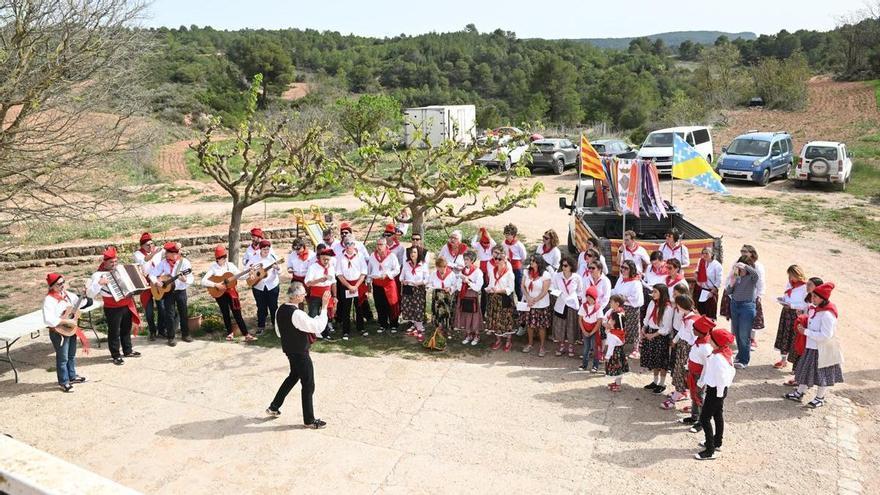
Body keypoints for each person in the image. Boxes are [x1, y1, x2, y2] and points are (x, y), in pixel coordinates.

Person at [266, 283, 329, 429]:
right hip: (300, 352)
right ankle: (309, 420)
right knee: (308, 384)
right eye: (302, 294)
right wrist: (324, 307)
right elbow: (318, 326)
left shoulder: (280, 309)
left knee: (294, 376)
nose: (304, 296)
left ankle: (274, 406)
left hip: (289, 350)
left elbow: (278, 332)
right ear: (295, 296)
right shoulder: (297, 313)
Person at [784, 282, 844, 408]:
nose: (812, 299)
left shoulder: (827, 314)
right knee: (805, 370)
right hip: (812, 347)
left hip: (823, 349)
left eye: (815, 297)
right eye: (812, 296)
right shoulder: (814, 308)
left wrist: (805, 331)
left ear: (823, 298)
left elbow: (826, 336)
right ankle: (799, 393)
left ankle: (820, 398)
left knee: (822, 374)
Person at [88, 247, 142, 361]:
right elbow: (90, 294)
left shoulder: (120, 270)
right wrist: (99, 284)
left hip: (126, 304)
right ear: (105, 262)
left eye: (115, 261)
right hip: (112, 307)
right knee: (114, 332)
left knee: (126, 329)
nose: (114, 264)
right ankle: (116, 355)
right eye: (111, 262)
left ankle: (128, 351)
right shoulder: (97, 275)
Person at [695, 328, 736, 460]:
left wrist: (718, 393)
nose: (709, 338)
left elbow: (722, 377)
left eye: (711, 338)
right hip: (718, 390)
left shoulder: (718, 358)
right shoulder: (723, 353)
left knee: (704, 418)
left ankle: (709, 450)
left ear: (716, 341)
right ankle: (717, 441)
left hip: (716, 390)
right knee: (718, 414)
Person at [43, 273, 89, 392]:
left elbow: (80, 304)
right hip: (59, 331)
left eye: (63, 283)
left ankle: (72, 376)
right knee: (62, 358)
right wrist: (64, 320)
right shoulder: (49, 300)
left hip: (70, 328)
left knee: (71, 355)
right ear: (52, 286)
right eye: (59, 284)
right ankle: (63, 381)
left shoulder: (67, 294)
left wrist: (83, 296)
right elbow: (48, 319)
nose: (62, 286)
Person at [201, 245, 255, 342]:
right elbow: (203, 281)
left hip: (231, 292)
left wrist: (248, 273)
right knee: (225, 312)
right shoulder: (213, 267)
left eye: (224, 257)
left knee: (237, 313)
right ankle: (230, 333)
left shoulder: (230, 265)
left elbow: (239, 276)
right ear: (217, 259)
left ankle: (246, 334)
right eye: (221, 258)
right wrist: (216, 285)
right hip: (220, 293)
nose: (223, 260)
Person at [150, 242, 194, 346]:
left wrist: (185, 279)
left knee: (183, 313)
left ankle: (186, 334)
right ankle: (171, 337)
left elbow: (191, 278)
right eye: (167, 253)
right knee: (169, 314)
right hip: (168, 292)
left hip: (180, 291)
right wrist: (157, 282)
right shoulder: (164, 263)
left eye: (168, 253)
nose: (166, 255)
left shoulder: (184, 263)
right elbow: (152, 274)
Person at [784, 276, 824, 386]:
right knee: (799, 354)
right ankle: (798, 378)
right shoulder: (808, 296)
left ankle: (801, 381)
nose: (807, 286)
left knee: (805, 357)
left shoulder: (819, 301)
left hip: (810, 332)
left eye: (810, 284)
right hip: (804, 330)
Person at [663, 292, 699, 410]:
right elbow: (681, 331)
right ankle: (683, 392)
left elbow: (694, 338)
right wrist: (675, 340)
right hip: (682, 346)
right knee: (680, 370)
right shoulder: (687, 317)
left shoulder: (691, 320)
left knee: (680, 370)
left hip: (686, 349)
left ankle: (677, 395)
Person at [683, 315, 716, 432]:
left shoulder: (706, 348)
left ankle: (702, 422)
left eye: (694, 329)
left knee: (699, 398)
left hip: (699, 376)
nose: (692, 330)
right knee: (694, 395)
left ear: (701, 332)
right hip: (692, 373)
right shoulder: (698, 342)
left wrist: (702, 381)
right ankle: (694, 416)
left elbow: (707, 366)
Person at [726, 256, 759, 369]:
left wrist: (746, 266)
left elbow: (756, 274)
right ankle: (740, 355)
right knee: (737, 333)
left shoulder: (751, 278)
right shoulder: (737, 277)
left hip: (747, 306)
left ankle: (744, 359)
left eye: (743, 267)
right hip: (735, 304)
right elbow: (729, 291)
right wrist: (732, 282)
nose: (742, 270)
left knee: (744, 335)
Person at [773, 265, 809, 369]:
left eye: (792, 275)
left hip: (796, 314)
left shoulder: (804, 287)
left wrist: (792, 305)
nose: (790, 278)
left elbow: (805, 304)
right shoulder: (790, 284)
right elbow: (788, 296)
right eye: (789, 275)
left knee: (794, 338)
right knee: (784, 335)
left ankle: (795, 364)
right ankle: (783, 360)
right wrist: (783, 299)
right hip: (786, 312)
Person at [641, 284, 674, 395]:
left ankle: (662, 383)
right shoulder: (652, 303)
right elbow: (647, 317)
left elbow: (666, 327)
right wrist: (644, 327)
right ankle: (655, 381)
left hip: (660, 336)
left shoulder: (668, 308)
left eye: (655, 292)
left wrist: (653, 335)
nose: (653, 294)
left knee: (662, 360)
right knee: (654, 359)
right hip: (651, 332)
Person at [133, 232, 165, 340]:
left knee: (162, 307)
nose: (151, 246)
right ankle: (152, 331)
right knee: (149, 309)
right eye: (148, 245)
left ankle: (162, 330)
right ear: (142, 246)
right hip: (146, 282)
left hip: (157, 281)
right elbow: (144, 261)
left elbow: (169, 250)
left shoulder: (158, 250)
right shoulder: (138, 254)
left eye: (152, 244)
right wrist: (154, 253)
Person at [484, 245, 516, 351]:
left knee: (506, 321)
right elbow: (491, 284)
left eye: (499, 259)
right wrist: (488, 289)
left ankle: (508, 341)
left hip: (504, 299)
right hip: (494, 299)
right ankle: (498, 340)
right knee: (495, 320)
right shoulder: (493, 271)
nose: (497, 261)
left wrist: (498, 291)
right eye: (495, 259)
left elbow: (510, 289)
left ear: (505, 260)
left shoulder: (509, 273)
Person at [335, 239, 368, 340]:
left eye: (350, 244)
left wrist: (356, 286)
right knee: (346, 308)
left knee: (359, 307)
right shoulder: (340, 257)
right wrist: (349, 286)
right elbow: (339, 274)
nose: (348, 246)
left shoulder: (360, 256)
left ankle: (361, 328)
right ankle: (346, 331)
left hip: (358, 283)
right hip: (346, 284)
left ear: (354, 245)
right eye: (346, 244)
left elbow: (363, 272)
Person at [248, 240, 282, 336]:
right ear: (260, 249)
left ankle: (276, 325)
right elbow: (247, 270)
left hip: (272, 286)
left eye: (268, 249)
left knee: (273, 306)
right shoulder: (254, 258)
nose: (266, 251)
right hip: (258, 286)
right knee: (261, 307)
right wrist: (251, 274)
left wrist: (277, 268)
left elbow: (280, 272)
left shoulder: (273, 257)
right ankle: (261, 326)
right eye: (264, 249)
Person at [552, 256, 583, 358]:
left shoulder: (577, 277)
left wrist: (577, 298)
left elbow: (580, 290)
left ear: (571, 266)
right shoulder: (557, 276)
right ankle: (561, 345)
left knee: (571, 326)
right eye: (562, 265)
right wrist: (557, 292)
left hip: (572, 305)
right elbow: (553, 287)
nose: (563, 267)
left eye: (566, 265)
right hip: (561, 303)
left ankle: (571, 346)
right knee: (560, 326)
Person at [612, 260, 644, 359]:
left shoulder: (636, 282)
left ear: (631, 270)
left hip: (631, 309)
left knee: (634, 328)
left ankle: (635, 349)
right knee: (620, 326)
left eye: (626, 268)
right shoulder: (620, 279)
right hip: (620, 307)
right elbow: (616, 291)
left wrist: (624, 298)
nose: (623, 270)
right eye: (622, 267)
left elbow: (636, 298)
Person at [368, 237, 401, 334]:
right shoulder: (372, 256)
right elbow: (369, 270)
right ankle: (383, 324)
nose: (378, 247)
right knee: (379, 304)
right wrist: (369, 281)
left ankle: (394, 324)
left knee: (391, 304)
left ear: (385, 245)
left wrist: (387, 274)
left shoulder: (391, 256)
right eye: (377, 244)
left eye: (381, 244)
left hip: (388, 284)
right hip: (377, 283)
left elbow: (397, 269)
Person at [521, 255, 552, 356]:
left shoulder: (545, 275)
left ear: (539, 262)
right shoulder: (527, 272)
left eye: (533, 261)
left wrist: (534, 299)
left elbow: (545, 290)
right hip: (529, 303)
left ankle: (542, 346)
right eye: (531, 260)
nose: (531, 262)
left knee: (541, 326)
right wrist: (528, 298)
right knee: (530, 325)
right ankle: (530, 343)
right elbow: (522, 286)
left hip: (541, 304)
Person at [305, 247, 337, 338]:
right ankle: (311, 334)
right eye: (324, 259)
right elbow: (307, 283)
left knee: (325, 314)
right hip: (316, 293)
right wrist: (318, 280)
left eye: (328, 259)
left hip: (327, 293)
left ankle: (325, 333)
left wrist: (334, 296)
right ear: (320, 258)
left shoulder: (331, 267)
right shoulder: (313, 267)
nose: (326, 261)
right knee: (313, 314)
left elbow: (333, 282)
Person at [455, 251, 485, 345]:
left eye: (467, 259)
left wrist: (468, 282)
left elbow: (478, 287)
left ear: (472, 260)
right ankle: (468, 334)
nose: (465, 261)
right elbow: (458, 286)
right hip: (463, 295)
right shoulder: (462, 271)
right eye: (464, 259)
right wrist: (462, 282)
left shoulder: (477, 271)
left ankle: (476, 335)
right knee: (465, 314)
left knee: (473, 315)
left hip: (472, 296)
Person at [400, 246, 429, 341]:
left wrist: (420, 283)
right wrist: (403, 281)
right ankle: (413, 325)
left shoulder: (423, 264)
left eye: (415, 252)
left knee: (418, 307)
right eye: (411, 252)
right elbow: (401, 277)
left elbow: (426, 279)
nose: (412, 254)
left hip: (418, 289)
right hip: (408, 287)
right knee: (409, 307)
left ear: (418, 254)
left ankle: (419, 326)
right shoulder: (406, 264)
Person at [742, 244, 766, 350]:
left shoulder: (758, 266)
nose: (743, 253)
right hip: (740, 295)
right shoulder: (738, 263)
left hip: (752, 295)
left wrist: (759, 295)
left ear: (752, 253)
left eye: (745, 251)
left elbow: (761, 281)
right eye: (742, 251)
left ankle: (752, 339)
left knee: (752, 318)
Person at [603, 294, 629, 391]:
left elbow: (610, 347)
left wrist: (607, 357)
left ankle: (618, 385)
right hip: (618, 350)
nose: (609, 322)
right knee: (618, 368)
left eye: (611, 321)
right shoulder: (618, 330)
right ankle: (617, 383)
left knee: (617, 369)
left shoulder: (613, 335)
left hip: (614, 352)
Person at [428, 256, 458, 338]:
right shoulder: (434, 274)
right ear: (437, 267)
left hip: (447, 297)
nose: (442, 269)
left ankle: (448, 330)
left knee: (447, 313)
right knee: (438, 313)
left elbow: (455, 285)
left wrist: (450, 288)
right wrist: (433, 287)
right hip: (437, 296)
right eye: (440, 267)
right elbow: (429, 283)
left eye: (444, 267)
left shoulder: (451, 274)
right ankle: (439, 329)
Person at [578, 286, 603, 373]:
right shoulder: (583, 306)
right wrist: (584, 331)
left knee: (595, 348)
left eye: (590, 297)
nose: (588, 299)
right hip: (585, 329)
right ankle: (584, 364)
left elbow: (599, 321)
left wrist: (592, 332)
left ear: (594, 298)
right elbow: (580, 319)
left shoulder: (598, 308)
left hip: (594, 330)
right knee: (586, 348)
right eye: (587, 297)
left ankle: (595, 366)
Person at [472, 227, 496, 315]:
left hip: (491, 269)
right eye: (484, 243)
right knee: (483, 291)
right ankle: (482, 312)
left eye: (487, 243)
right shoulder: (478, 245)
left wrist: (487, 234)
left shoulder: (491, 245)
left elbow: (494, 243)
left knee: (491, 289)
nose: (486, 244)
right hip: (482, 269)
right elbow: (472, 243)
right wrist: (477, 234)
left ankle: (490, 311)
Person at [694, 247, 723, 318]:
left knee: (709, 313)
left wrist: (712, 292)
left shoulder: (717, 265)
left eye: (706, 253)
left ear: (712, 254)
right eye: (703, 253)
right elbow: (697, 271)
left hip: (710, 291)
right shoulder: (701, 261)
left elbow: (718, 281)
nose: (704, 255)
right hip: (700, 289)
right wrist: (697, 277)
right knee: (699, 311)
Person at [502, 223, 527, 301]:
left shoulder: (519, 244)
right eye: (505, 234)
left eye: (508, 234)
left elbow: (523, 256)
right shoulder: (503, 243)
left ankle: (521, 306)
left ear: (513, 235)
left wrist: (518, 263)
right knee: (509, 287)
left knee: (518, 288)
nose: (506, 236)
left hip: (517, 267)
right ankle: (511, 308)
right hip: (508, 267)